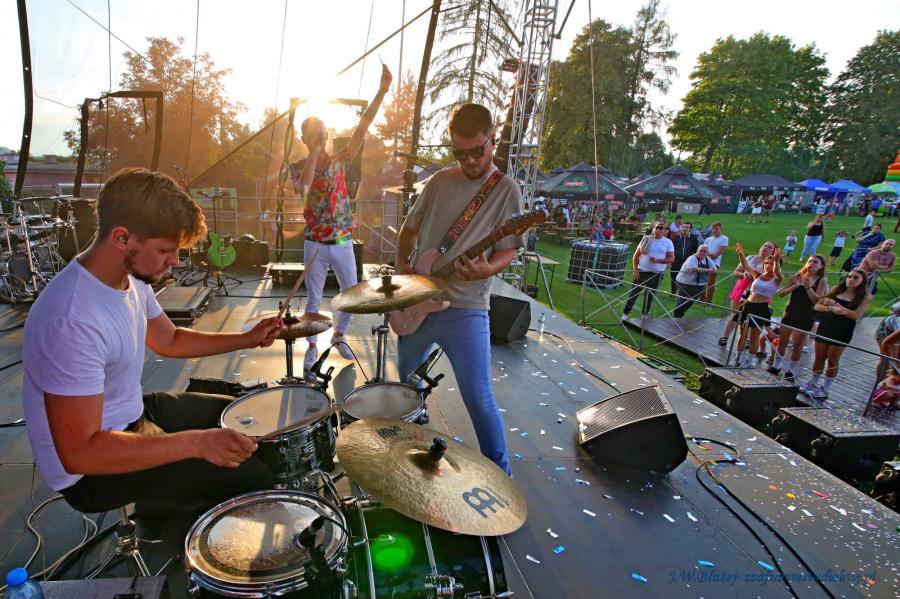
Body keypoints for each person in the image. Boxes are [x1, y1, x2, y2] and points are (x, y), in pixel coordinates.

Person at [22, 168, 284, 515]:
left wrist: (246, 339)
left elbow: (169, 339)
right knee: (252, 476)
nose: (174, 261)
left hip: (132, 414)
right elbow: (79, 454)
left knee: (250, 421)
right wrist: (196, 443)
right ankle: (178, 533)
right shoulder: (71, 321)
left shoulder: (131, 276)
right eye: (165, 250)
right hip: (90, 473)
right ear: (122, 238)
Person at [395, 103, 522, 475]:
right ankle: (411, 462)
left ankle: (502, 476)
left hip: (466, 308)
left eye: (477, 151)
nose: (469, 161)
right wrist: (402, 267)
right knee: (406, 388)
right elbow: (409, 230)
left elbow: (508, 249)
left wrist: (487, 268)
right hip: (418, 301)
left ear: (492, 141)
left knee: (479, 398)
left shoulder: (506, 190)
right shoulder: (439, 182)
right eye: (459, 153)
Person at [293, 64, 392, 370]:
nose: (320, 137)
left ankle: (339, 335)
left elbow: (362, 127)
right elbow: (304, 187)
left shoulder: (340, 160)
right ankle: (312, 347)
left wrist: (381, 92)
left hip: (343, 241)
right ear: (304, 138)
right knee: (314, 298)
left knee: (352, 294)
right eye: (314, 134)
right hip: (315, 243)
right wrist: (313, 154)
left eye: (322, 132)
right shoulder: (298, 167)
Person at [802, 269, 873, 399]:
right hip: (826, 326)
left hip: (842, 330)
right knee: (819, 357)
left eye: (855, 278)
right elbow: (817, 306)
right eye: (849, 277)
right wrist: (831, 308)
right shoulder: (836, 290)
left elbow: (855, 315)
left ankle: (825, 389)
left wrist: (835, 304)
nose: (851, 280)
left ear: (863, 281)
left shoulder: (865, 297)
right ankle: (812, 383)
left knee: (833, 360)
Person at [769, 255, 828, 380]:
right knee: (782, 342)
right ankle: (775, 366)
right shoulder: (798, 275)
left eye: (815, 262)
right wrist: (795, 285)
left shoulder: (822, 280)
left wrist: (807, 287)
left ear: (821, 266)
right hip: (790, 312)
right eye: (810, 261)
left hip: (806, 316)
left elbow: (817, 301)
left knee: (798, 345)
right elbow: (781, 293)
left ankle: (790, 371)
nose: (811, 264)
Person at [731, 243, 784, 367]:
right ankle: (739, 358)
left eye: (771, 263)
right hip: (748, 305)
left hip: (761, 308)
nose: (768, 265)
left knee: (754, 337)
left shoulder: (777, 279)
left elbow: (777, 271)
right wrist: (740, 254)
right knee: (742, 335)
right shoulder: (758, 275)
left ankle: (749, 361)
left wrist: (776, 261)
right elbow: (746, 265)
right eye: (766, 263)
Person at [718, 242, 777, 347]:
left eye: (769, 247)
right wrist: (743, 274)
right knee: (736, 313)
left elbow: (773, 278)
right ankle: (725, 337)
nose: (765, 248)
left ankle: (746, 339)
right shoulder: (750, 258)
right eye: (764, 245)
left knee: (751, 317)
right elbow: (736, 272)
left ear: (773, 251)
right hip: (742, 287)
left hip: (758, 292)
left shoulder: (772, 263)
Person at [622, 222, 674, 318]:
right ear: (653, 229)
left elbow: (671, 258)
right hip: (641, 271)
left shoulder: (668, 242)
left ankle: (644, 315)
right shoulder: (646, 239)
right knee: (634, 293)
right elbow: (636, 256)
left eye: (661, 228)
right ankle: (625, 314)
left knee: (650, 295)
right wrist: (635, 270)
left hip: (657, 274)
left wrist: (657, 260)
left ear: (665, 231)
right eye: (656, 227)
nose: (658, 230)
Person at [674, 244, 716, 318]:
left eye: (705, 251)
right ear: (697, 251)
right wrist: (708, 270)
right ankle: (677, 317)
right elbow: (692, 269)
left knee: (691, 301)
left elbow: (714, 269)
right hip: (685, 284)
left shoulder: (707, 259)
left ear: (707, 253)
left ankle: (680, 316)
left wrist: (710, 270)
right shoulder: (692, 258)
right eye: (700, 250)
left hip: (699, 285)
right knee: (682, 301)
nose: (702, 252)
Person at [670, 221, 699, 294]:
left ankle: (682, 293)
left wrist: (695, 261)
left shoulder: (693, 238)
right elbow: (671, 251)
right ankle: (673, 292)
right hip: (676, 262)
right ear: (681, 228)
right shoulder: (675, 238)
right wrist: (670, 261)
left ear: (690, 229)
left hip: (687, 262)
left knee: (685, 278)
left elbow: (696, 251)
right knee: (674, 277)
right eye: (684, 227)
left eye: (687, 227)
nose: (685, 229)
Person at [703, 222, 729, 303]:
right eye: (713, 229)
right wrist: (705, 254)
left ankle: (708, 301)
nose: (714, 230)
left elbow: (716, 255)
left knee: (710, 283)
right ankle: (702, 298)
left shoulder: (724, 238)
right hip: (704, 263)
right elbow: (702, 251)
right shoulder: (708, 239)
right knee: (701, 281)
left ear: (721, 229)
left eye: (716, 229)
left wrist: (706, 254)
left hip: (714, 264)